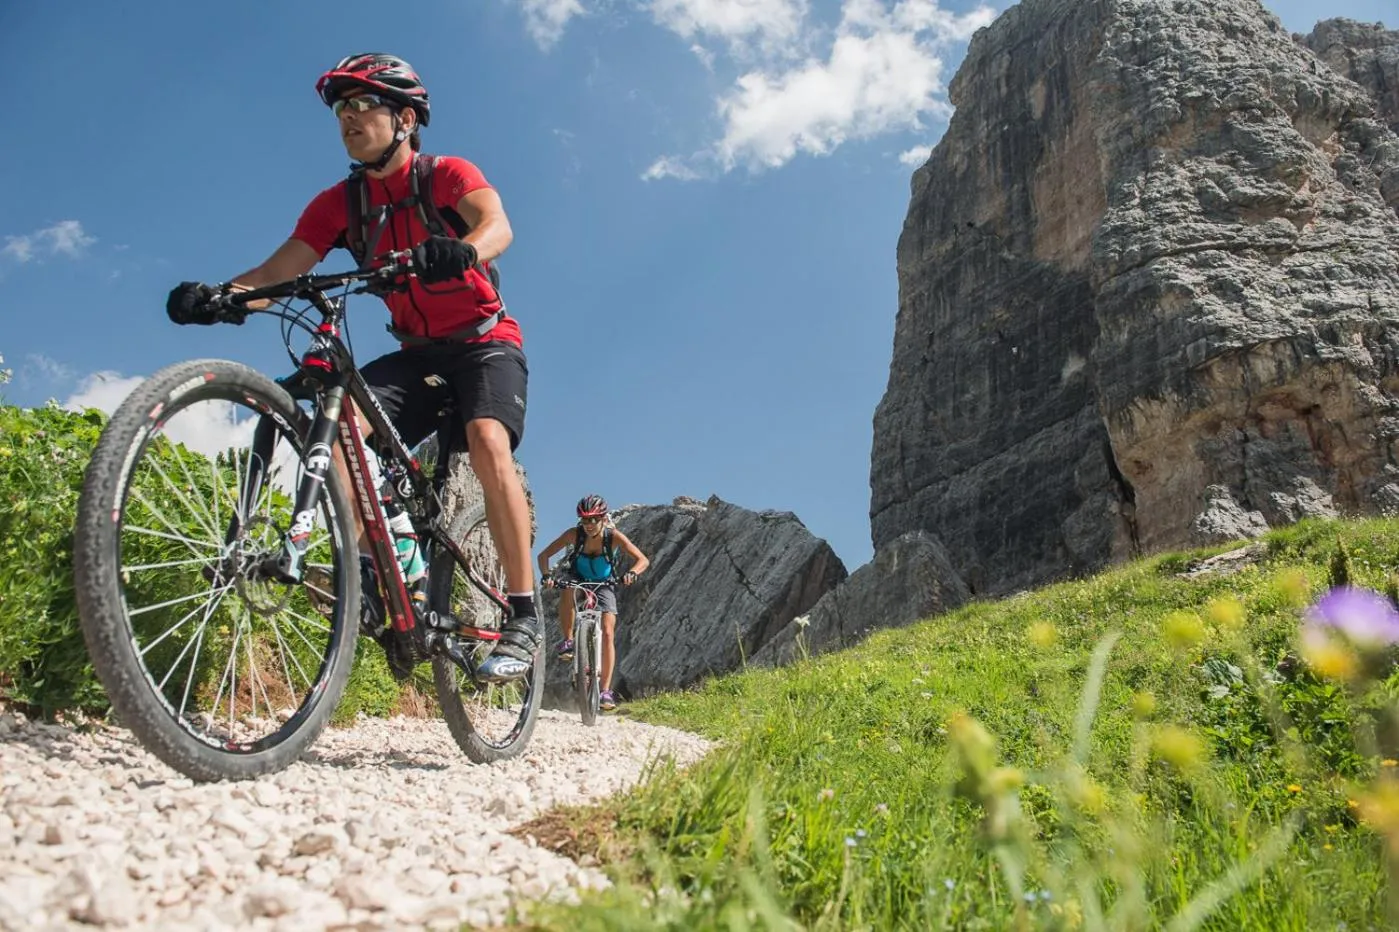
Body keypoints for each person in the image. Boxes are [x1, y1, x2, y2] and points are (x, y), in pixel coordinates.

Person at [163, 53, 539, 683]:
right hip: (416, 353)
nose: (349, 117)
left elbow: (496, 224)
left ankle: (523, 616)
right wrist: (221, 297)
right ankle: (374, 573)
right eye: (342, 108)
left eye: (365, 104)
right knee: (338, 431)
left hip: (483, 344)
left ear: (408, 118)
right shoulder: (343, 204)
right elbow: (275, 273)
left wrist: (463, 250)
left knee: (485, 440)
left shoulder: (444, 173)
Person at [538, 495, 649, 711]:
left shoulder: (613, 536)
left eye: (594, 520)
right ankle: (569, 640)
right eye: (584, 520)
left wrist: (633, 573)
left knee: (608, 632)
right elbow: (543, 556)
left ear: (603, 519)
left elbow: (643, 559)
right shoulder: (573, 535)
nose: (589, 525)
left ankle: (605, 691)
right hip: (578, 578)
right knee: (567, 588)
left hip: (605, 583)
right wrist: (546, 575)